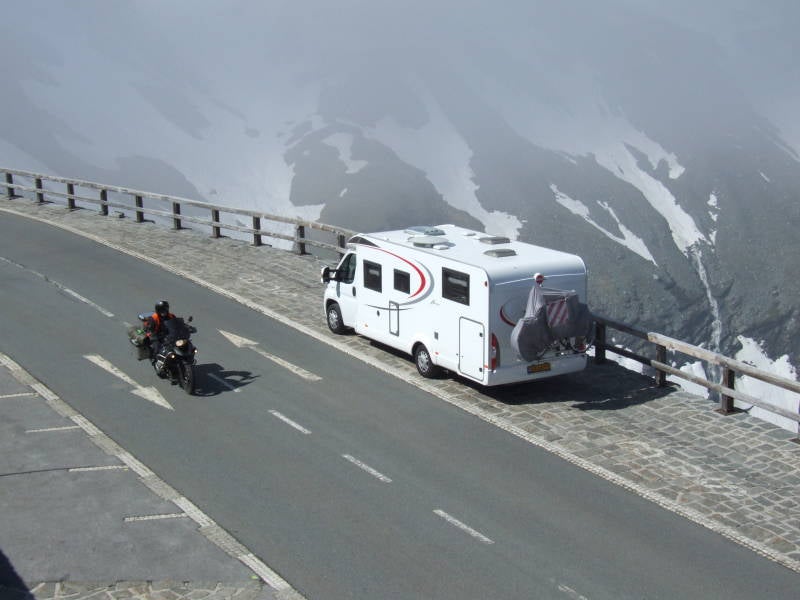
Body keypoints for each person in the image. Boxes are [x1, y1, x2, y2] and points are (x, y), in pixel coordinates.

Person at [146, 300, 176, 373]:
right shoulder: (154, 318)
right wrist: (153, 334)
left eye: (165, 309)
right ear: (158, 310)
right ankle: (154, 360)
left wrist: (186, 327)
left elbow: (176, 323)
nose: (164, 312)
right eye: (162, 310)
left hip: (168, 335)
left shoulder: (171, 316)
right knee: (157, 347)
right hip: (157, 335)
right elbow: (149, 329)